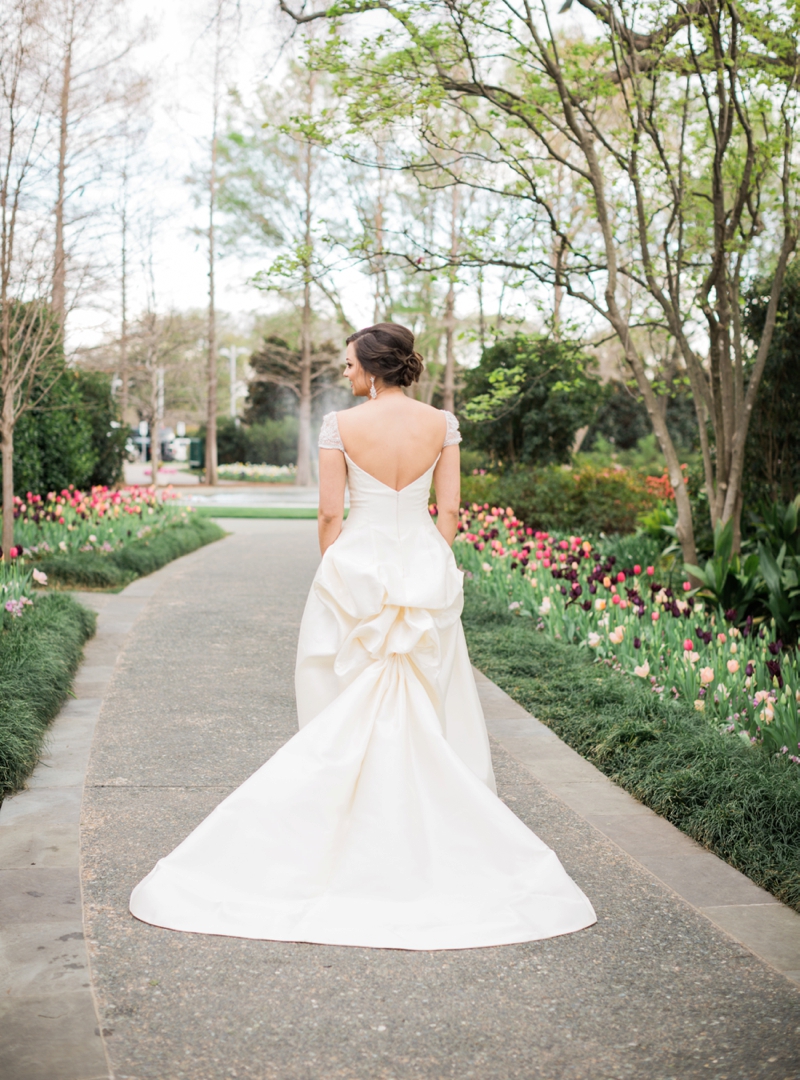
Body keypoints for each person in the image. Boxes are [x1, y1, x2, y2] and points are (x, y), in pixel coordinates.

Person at [129, 323, 596, 949]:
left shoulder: (340, 427)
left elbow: (329, 513)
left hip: (357, 565)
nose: (344, 374)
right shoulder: (443, 424)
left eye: (349, 364)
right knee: (428, 698)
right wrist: (430, 558)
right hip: (423, 565)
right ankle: (427, 832)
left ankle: (344, 822)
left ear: (374, 369)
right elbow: (451, 511)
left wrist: (336, 570)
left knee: (342, 700)